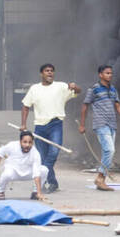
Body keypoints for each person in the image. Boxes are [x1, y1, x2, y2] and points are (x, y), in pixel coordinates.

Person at [21, 63, 80, 193]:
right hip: (40, 127)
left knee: (53, 152)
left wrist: (75, 87)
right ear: (41, 74)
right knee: (42, 156)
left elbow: (77, 92)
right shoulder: (34, 89)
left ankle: (41, 178)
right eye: (47, 71)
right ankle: (53, 183)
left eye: (52, 71)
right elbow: (26, 106)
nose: (50, 73)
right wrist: (23, 125)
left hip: (55, 124)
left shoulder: (61, 86)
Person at [79, 65, 120, 191]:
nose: (110, 75)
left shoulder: (113, 90)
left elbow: (118, 106)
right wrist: (82, 124)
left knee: (107, 152)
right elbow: (85, 107)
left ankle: (102, 181)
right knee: (110, 150)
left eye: (111, 73)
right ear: (100, 74)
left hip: (112, 124)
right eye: (107, 73)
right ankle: (100, 177)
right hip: (100, 124)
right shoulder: (94, 89)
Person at [0, 131, 48, 201]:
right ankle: (0, 191)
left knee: (44, 170)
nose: (27, 145)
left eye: (30, 142)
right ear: (20, 142)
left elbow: (37, 174)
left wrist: (39, 193)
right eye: (25, 142)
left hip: (28, 173)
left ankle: (35, 192)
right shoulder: (12, 145)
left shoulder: (35, 153)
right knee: (6, 174)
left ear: (32, 143)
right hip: (13, 172)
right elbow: (0, 153)